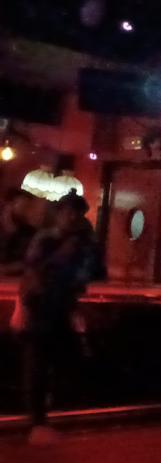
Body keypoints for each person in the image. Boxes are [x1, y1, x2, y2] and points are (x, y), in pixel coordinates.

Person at [17, 193, 98, 444]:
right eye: (68, 212)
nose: (72, 217)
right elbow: (33, 272)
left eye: (77, 213)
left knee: (58, 363)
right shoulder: (45, 240)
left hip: (61, 309)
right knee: (38, 365)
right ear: (59, 213)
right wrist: (63, 256)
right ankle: (37, 422)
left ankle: (43, 418)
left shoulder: (81, 244)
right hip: (41, 310)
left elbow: (84, 276)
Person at [0, 188, 37, 277]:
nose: (27, 211)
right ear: (9, 204)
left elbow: (30, 260)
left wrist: (8, 268)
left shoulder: (30, 232)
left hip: (13, 281)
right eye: (23, 206)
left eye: (28, 207)